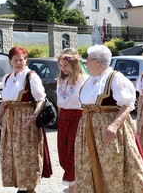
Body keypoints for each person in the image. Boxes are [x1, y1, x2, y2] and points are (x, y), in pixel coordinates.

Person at [75, 45, 143, 192]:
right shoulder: (90, 80)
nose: (86, 64)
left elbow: (128, 104)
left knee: (112, 167)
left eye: (88, 61)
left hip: (109, 130)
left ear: (98, 62)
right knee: (89, 166)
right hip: (89, 130)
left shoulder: (115, 78)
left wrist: (114, 125)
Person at [0, 47, 46, 193]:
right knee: (12, 154)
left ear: (26, 60)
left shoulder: (31, 76)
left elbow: (41, 100)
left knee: (27, 155)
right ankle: (21, 187)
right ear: (10, 61)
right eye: (15, 60)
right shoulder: (7, 78)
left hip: (25, 122)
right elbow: (4, 104)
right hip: (10, 122)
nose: (18, 62)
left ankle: (30, 189)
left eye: (21, 59)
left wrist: (34, 115)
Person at [56, 48, 89, 193]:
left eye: (66, 65)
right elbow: (59, 103)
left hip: (78, 118)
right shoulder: (60, 80)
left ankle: (73, 189)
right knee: (63, 154)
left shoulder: (84, 80)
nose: (64, 69)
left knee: (73, 155)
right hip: (64, 119)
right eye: (61, 65)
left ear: (75, 64)